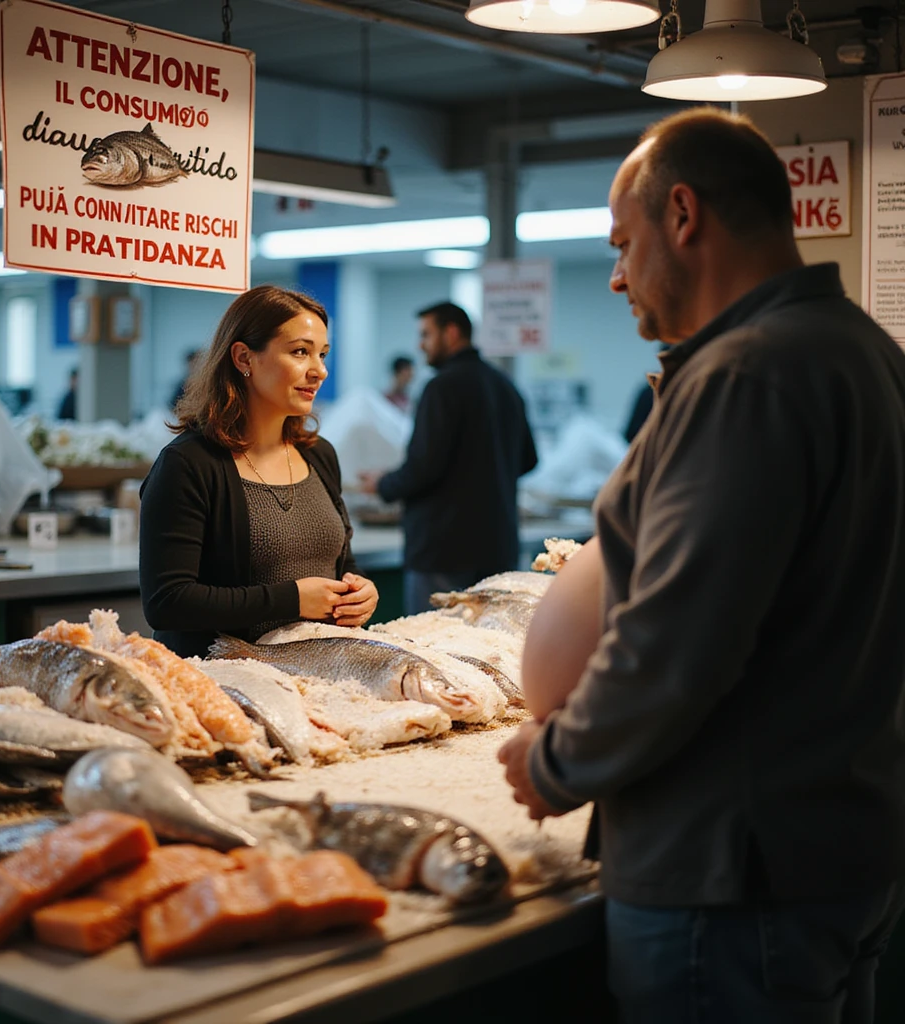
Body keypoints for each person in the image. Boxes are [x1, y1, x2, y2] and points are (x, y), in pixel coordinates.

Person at [498, 108, 905, 1022]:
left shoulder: (744, 376)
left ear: (683, 216)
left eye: (623, 243)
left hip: (734, 872)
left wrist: (557, 760)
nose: (616, 276)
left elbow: (679, 643)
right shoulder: (865, 353)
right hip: (839, 844)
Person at [139, 285, 379, 658]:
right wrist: (293, 599)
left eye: (322, 354)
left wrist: (360, 591)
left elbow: (341, 561)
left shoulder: (319, 455)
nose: (319, 371)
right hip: (222, 682)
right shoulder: (188, 465)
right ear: (243, 358)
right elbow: (167, 601)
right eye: (300, 352)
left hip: (316, 675)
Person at [360, 302, 537, 615]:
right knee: (489, 650)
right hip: (498, 549)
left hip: (443, 553)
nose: (420, 344)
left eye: (426, 334)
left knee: (436, 650)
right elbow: (528, 460)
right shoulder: (505, 385)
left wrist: (383, 483)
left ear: (451, 332)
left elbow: (423, 468)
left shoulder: (442, 388)